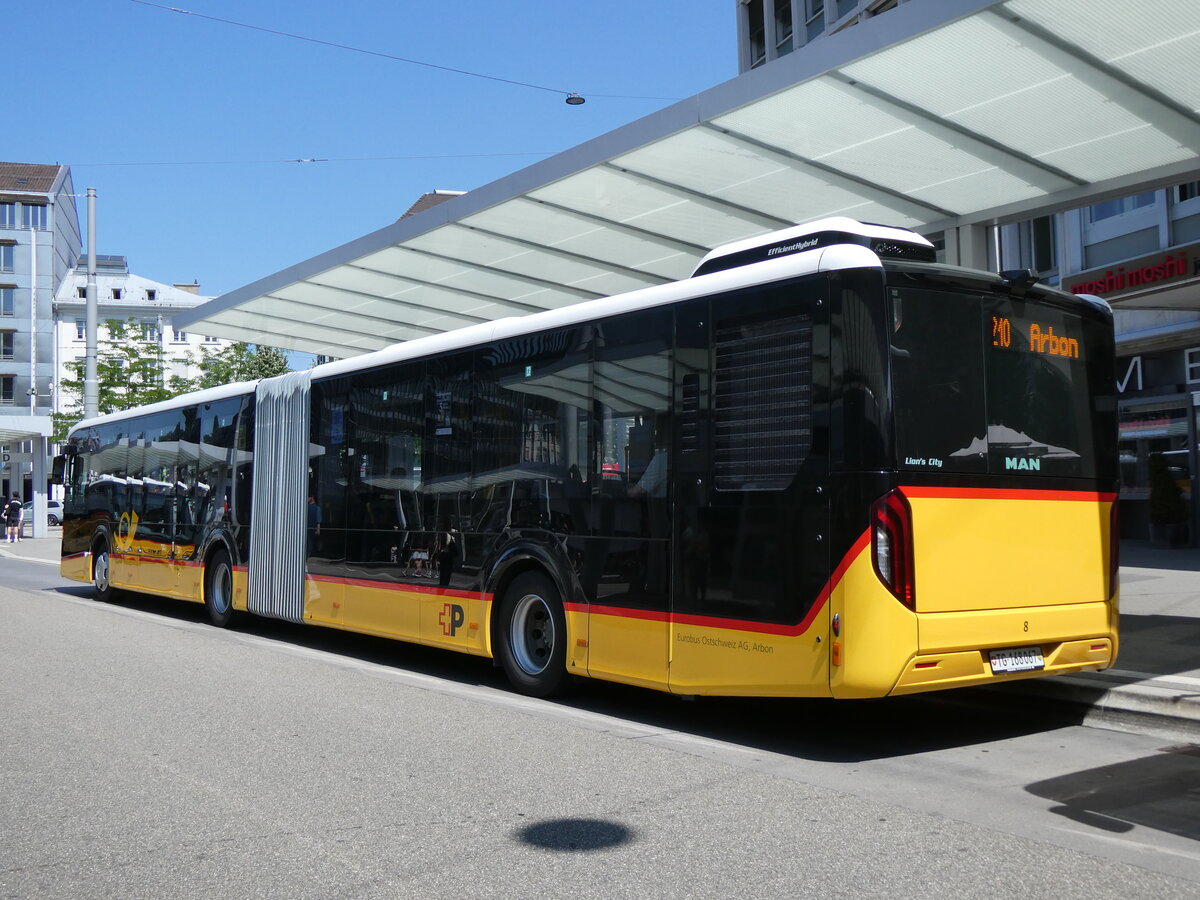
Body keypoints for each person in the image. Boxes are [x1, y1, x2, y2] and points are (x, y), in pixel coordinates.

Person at [436, 517, 459, 587]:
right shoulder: (453, 532)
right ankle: (444, 585)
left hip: (445, 555)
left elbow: (439, 546)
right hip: (448, 556)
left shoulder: (442, 532)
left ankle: (443, 585)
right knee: (446, 574)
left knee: (443, 573)